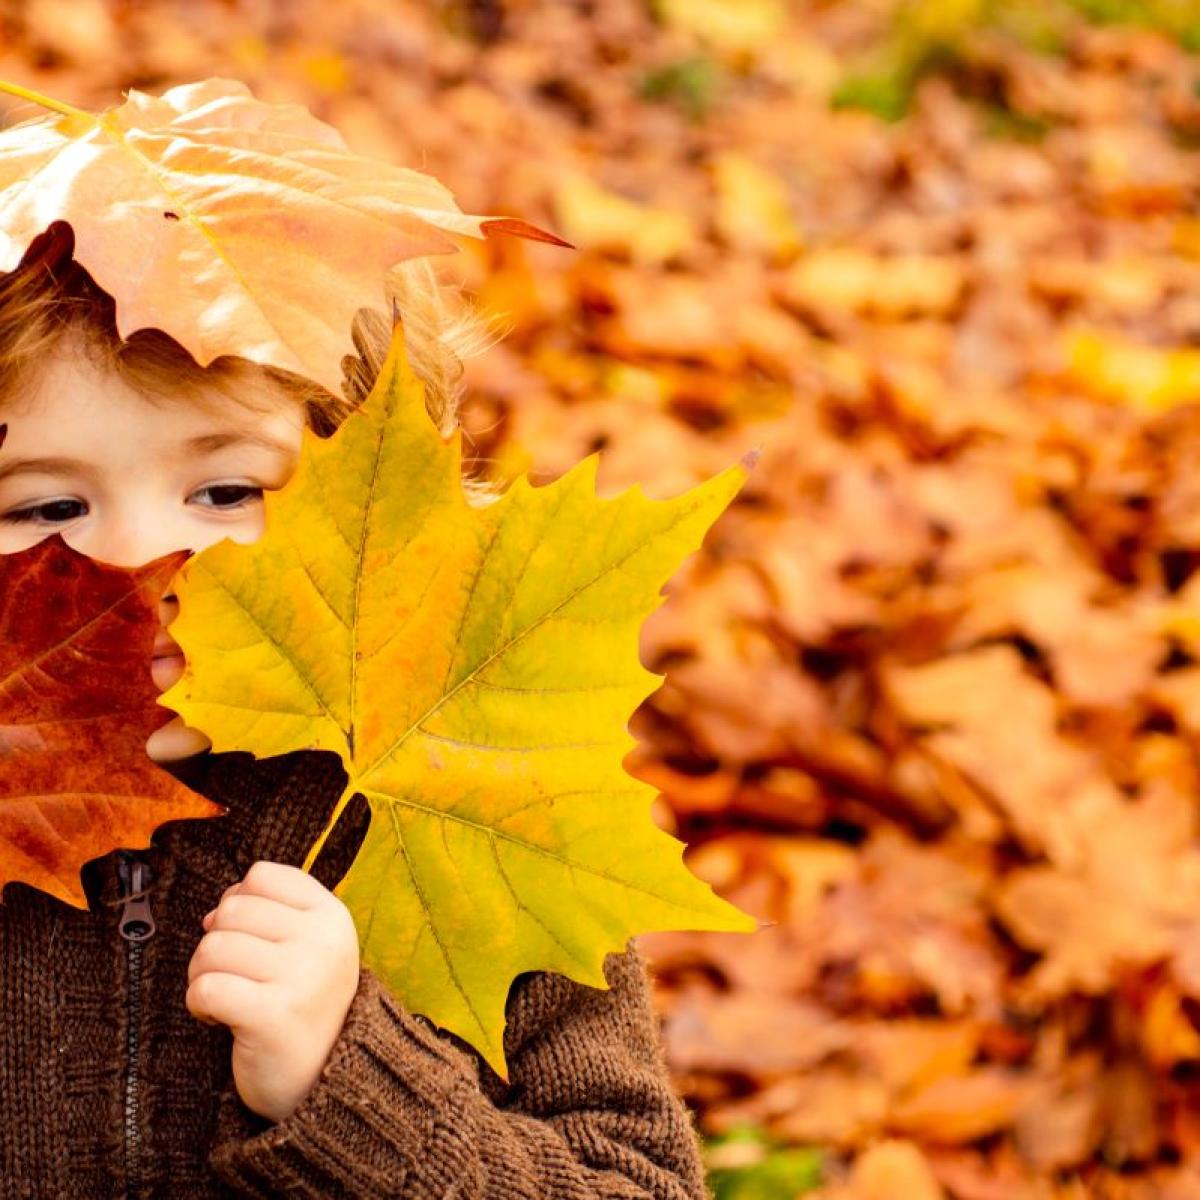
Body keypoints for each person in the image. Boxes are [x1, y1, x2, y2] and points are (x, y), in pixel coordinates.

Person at [0, 218, 709, 1197]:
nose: (134, 568)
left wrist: (347, 1085)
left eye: (225, 489)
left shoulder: (473, 809)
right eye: (45, 508)